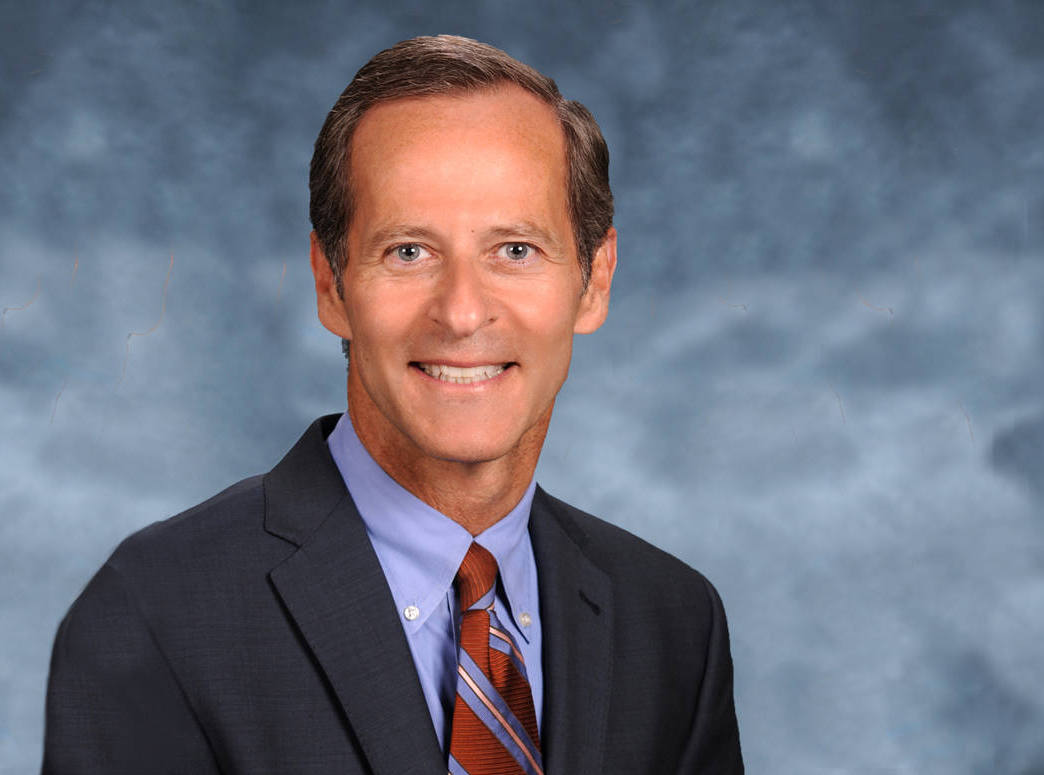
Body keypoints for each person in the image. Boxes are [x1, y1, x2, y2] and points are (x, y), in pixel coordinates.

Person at [41, 34, 745, 774]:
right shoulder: (157, 614)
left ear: (594, 281)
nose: (463, 312)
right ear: (331, 283)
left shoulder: (672, 623)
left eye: (515, 250)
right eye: (408, 251)